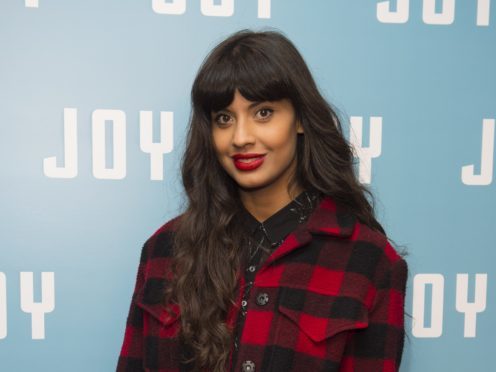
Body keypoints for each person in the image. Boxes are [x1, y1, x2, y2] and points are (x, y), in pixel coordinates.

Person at [116, 28, 408, 372]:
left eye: (263, 113)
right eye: (224, 118)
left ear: (300, 119)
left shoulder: (369, 262)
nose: (241, 137)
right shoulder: (163, 249)